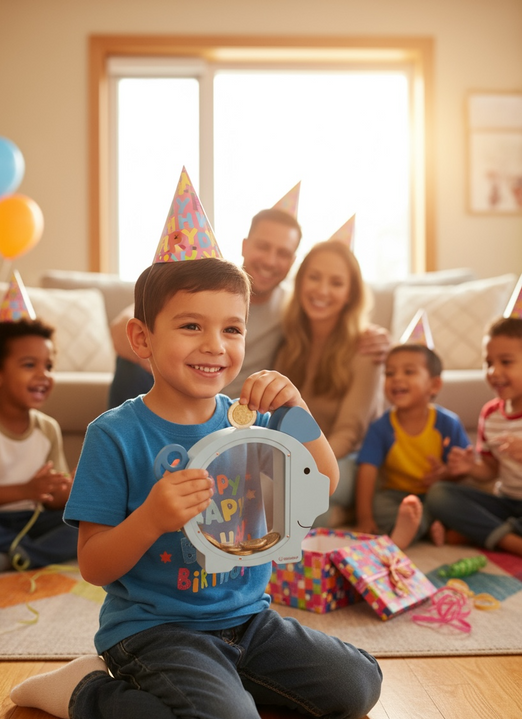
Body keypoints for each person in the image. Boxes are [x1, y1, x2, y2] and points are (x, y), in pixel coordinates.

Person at [10, 257, 382, 719]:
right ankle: (83, 692)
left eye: (232, 328)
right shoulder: (114, 434)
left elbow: (322, 484)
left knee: (358, 685)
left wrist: (297, 409)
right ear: (142, 340)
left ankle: (222, 684)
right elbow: (94, 566)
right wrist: (151, 518)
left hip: (249, 620)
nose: (215, 345)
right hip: (155, 630)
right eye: (191, 325)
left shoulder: (250, 421)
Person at [108, 209, 390, 407]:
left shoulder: (294, 308)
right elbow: (123, 330)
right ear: (244, 245)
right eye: (263, 247)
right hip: (177, 389)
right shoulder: (202, 288)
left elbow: (333, 318)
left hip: (235, 408)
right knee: (128, 366)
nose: (270, 260)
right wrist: (181, 372)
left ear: (292, 262)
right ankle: (126, 451)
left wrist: (368, 334)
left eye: (282, 253)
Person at [274, 240, 386, 527]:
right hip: (298, 458)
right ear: (300, 283)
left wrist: (304, 466)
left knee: (297, 514)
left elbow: (349, 433)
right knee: (262, 502)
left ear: (350, 294)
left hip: (348, 459)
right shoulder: (290, 344)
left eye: (336, 283)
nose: (322, 291)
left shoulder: (366, 349)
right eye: (314, 277)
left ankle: (345, 513)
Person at [354, 343, 470, 550]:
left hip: (434, 495)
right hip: (397, 496)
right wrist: (364, 518)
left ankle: (423, 524)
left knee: (447, 496)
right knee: (379, 505)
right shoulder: (381, 427)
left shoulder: (447, 423)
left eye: (409, 372)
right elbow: (367, 471)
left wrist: (445, 473)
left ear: (434, 385)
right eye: (390, 373)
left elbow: (462, 470)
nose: (397, 378)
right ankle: (424, 526)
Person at [425, 316, 522, 556]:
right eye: (488, 363)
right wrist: (470, 468)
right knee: (439, 494)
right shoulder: (490, 414)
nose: (494, 371)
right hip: (506, 503)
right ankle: (509, 538)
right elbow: (490, 469)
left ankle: (482, 533)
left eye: (506, 362)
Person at [0, 318, 76, 573]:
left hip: (33, 519)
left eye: (48, 366)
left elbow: (52, 500)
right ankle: (23, 551)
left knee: (82, 524)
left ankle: (17, 556)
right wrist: (27, 490)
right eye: (29, 365)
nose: (43, 375)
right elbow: (32, 491)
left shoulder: (48, 428)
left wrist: (65, 491)